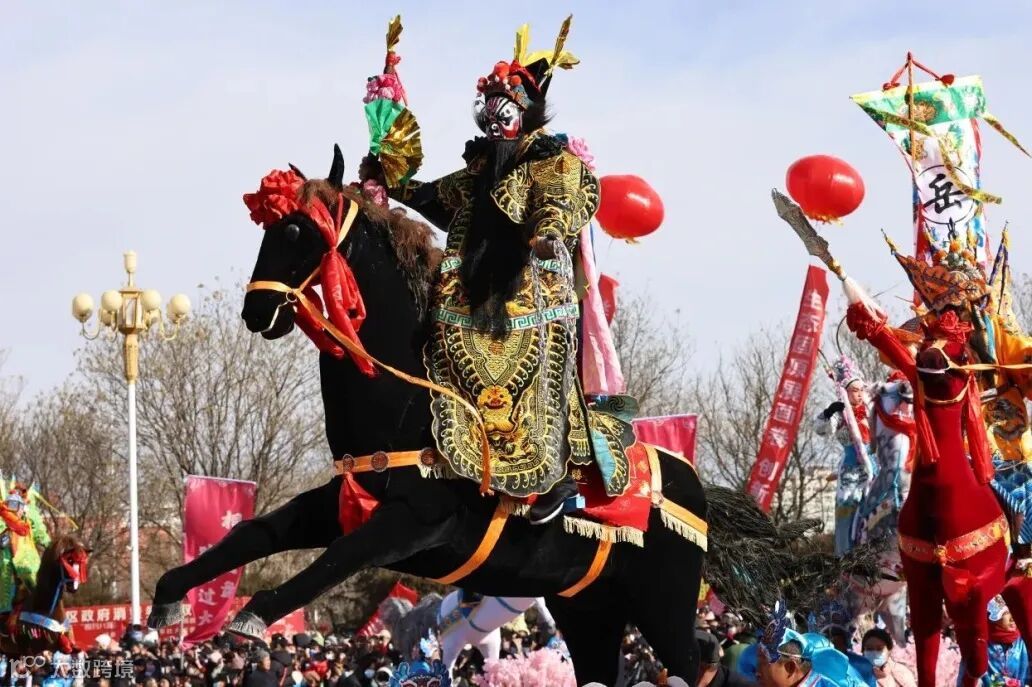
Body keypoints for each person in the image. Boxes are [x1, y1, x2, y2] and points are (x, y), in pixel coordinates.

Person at [368, 16, 633, 524]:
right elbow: (434, 196)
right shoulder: (477, 172)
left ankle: (558, 474)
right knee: (434, 341)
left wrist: (548, 233)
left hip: (534, 290)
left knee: (543, 361)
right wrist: (390, 178)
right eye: (486, 112)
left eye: (503, 112)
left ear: (524, 114)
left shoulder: (552, 162)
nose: (493, 123)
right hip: (472, 292)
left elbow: (556, 202)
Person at [814, 357, 876, 556]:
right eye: (854, 390)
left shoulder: (871, 411)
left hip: (875, 464)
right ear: (845, 392)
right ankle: (845, 554)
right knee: (847, 504)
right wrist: (829, 412)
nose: (859, 394)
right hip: (851, 467)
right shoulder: (841, 414)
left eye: (861, 390)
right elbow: (821, 430)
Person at [977, 596, 1029, 687]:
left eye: (1014, 611)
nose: (1012, 618)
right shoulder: (983, 645)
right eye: (1006, 613)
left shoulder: (1024, 642)